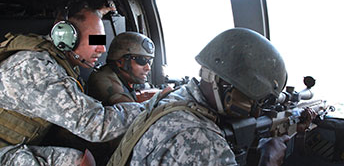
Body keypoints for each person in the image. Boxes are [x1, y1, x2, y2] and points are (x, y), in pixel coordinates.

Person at [106, 28, 315, 166]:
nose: (257, 110)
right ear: (227, 86)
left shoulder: (173, 99)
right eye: (253, 99)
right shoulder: (203, 142)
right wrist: (269, 161)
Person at [0, 1, 149, 166]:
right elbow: (95, 126)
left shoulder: (59, 60)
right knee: (79, 161)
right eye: (95, 40)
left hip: (13, 144)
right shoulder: (36, 68)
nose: (102, 49)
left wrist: (96, 16)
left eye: (102, 39)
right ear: (67, 37)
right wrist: (149, 107)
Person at [88, 31, 155, 105]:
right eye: (141, 60)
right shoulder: (104, 80)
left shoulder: (130, 78)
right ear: (120, 61)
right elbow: (130, 110)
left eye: (150, 61)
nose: (148, 67)